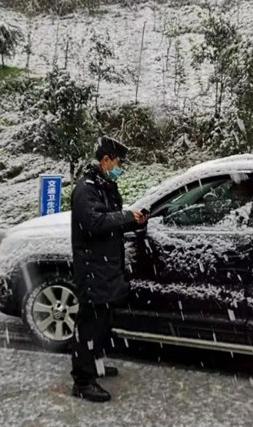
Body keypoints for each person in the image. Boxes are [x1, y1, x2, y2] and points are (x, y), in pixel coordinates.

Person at [70, 136, 148, 402]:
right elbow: (93, 223)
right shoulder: (86, 188)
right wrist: (125, 216)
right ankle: (82, 381)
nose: (120, 168)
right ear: (106, 160)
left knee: (102, 323)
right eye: (118, 163)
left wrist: (133, 221)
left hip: (106, 267)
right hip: (92, 269)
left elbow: (109, 221)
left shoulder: (105, 185)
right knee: (89, 325)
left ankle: (95, 366)